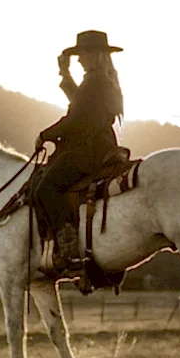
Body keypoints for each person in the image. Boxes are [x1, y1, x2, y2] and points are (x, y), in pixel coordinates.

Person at [34, 30, 125, 271]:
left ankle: (68, 242)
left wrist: (46, 134)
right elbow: (81, 104)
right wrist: (65, 75)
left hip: (87, 149)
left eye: (82, 54)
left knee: (45, 188)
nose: (79, 59)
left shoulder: (94, 81)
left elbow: (75, 117)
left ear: (94, 55)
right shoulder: (104, 80)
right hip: (101, 144)